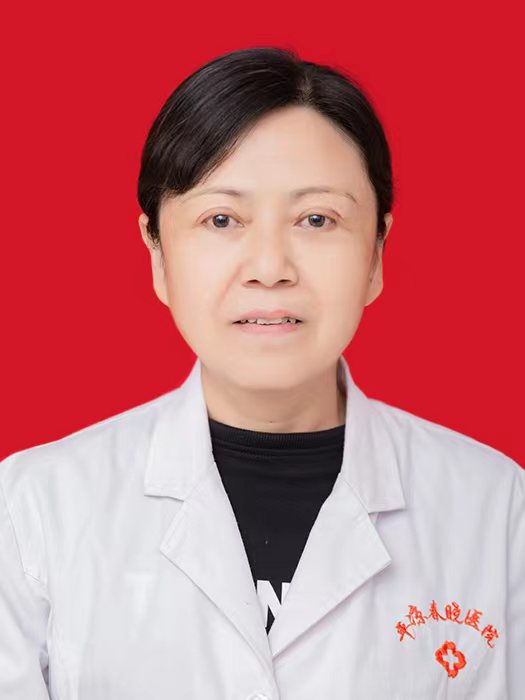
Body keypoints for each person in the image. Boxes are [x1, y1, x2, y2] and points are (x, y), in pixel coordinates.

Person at [0, 46, 523, 700]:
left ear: (375, 255)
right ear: (157, 254)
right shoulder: (33, 509)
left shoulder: (497, 510)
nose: (270, 267)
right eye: (221, 219)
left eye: (316, 219)